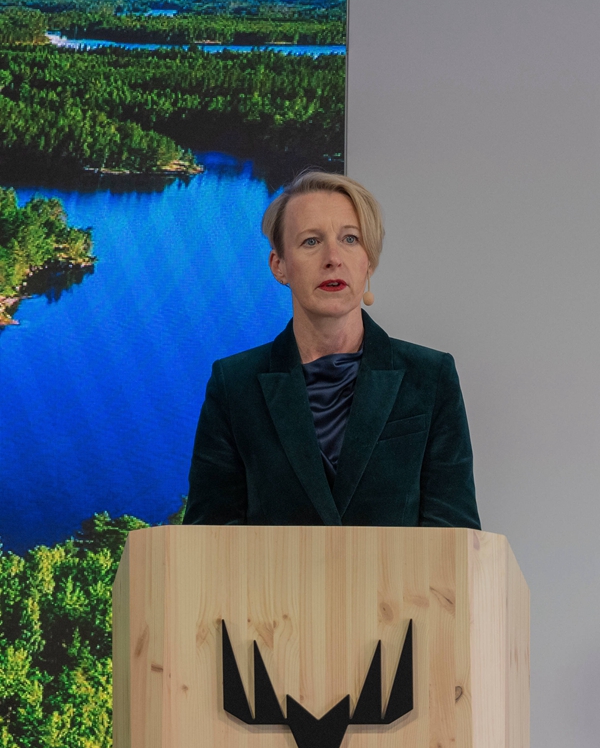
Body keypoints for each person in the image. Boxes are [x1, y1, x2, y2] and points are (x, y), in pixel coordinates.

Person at [183, 171, 480, 529]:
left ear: (369, 261)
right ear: (279, 266)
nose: (333, 258)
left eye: (350, 239)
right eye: (311, 241)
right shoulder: (234, 385)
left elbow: (454, 535)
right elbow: (208, 537)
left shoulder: (431, 378)